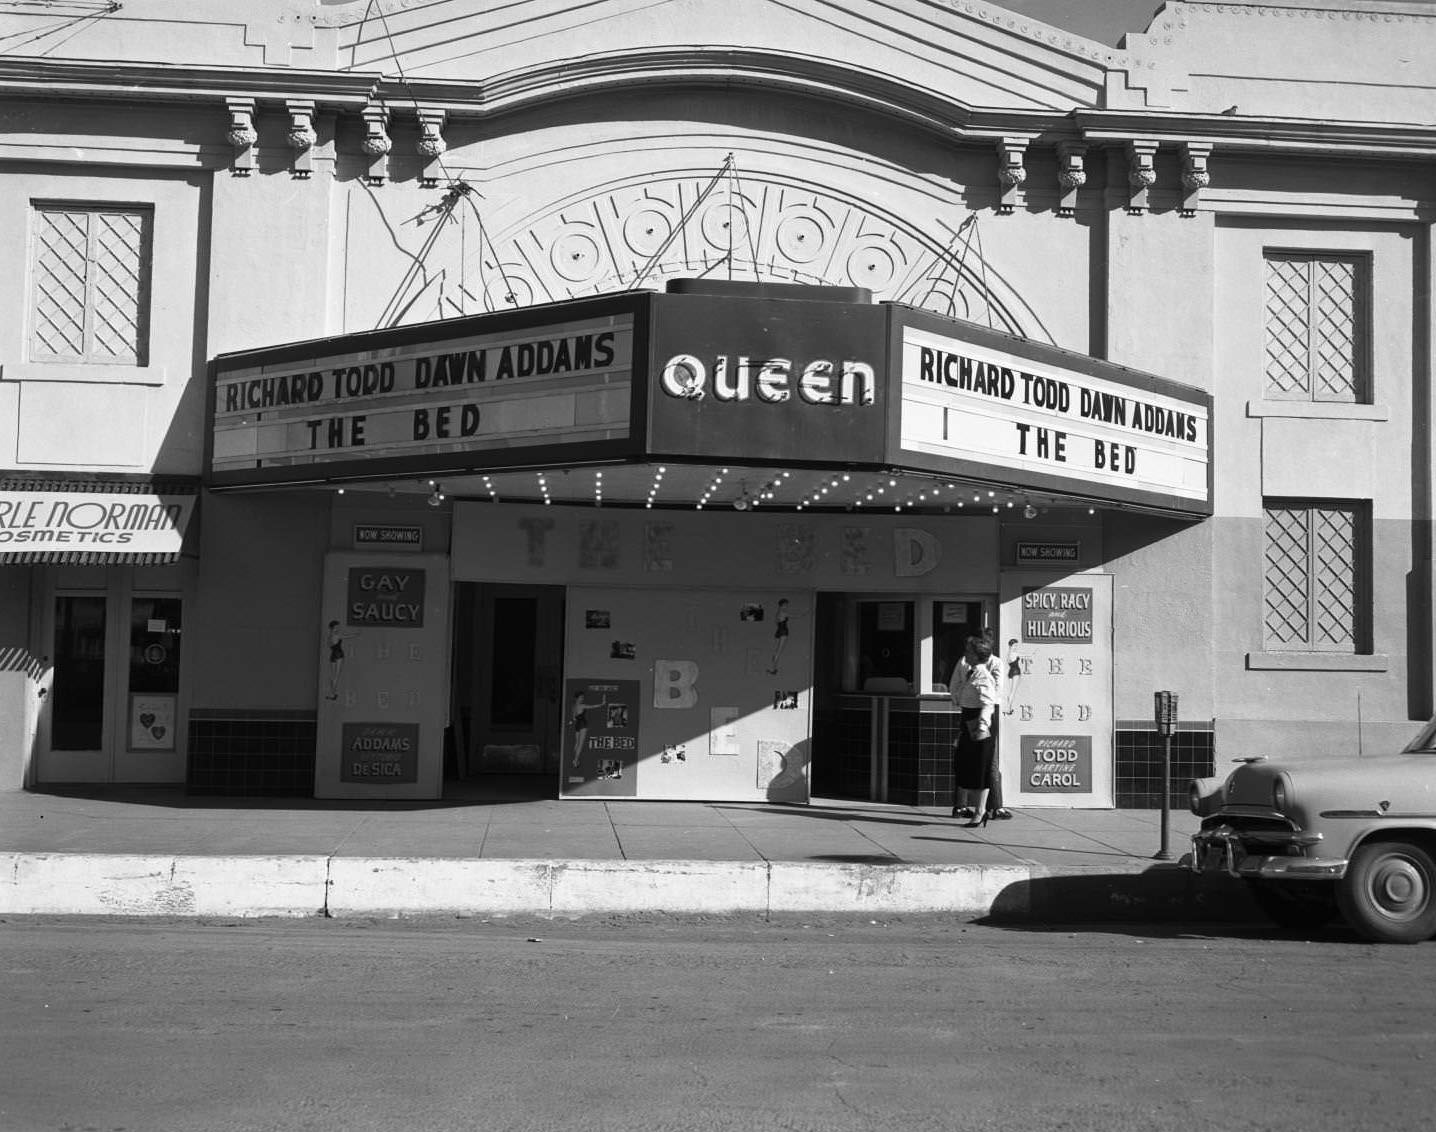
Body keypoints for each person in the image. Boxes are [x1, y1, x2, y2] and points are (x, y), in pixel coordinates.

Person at [949, 636, 1000, 828]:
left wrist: (982, 724)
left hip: (978, 723)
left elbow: (989, 703)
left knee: (981, 768)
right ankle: (977, 810)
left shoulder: (983, 676)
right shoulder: (972, 672)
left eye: (969, 651)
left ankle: (980, 812)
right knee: (967, 765)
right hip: (968, 720)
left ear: (977, 655)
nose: (965, 654)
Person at [569, 689, 606, 768]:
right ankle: (575, 760)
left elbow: (574, 718)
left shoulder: (573, 706)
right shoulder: (582, 705)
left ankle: (576, 759)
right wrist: (602, 703)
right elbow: (593, 706)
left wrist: (571, 721)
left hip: (577, 725)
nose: (582, 699)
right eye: (581, 697)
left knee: (576, 744)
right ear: (577, 698)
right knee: (580, 745)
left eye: (583, 697)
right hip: (583, 725)